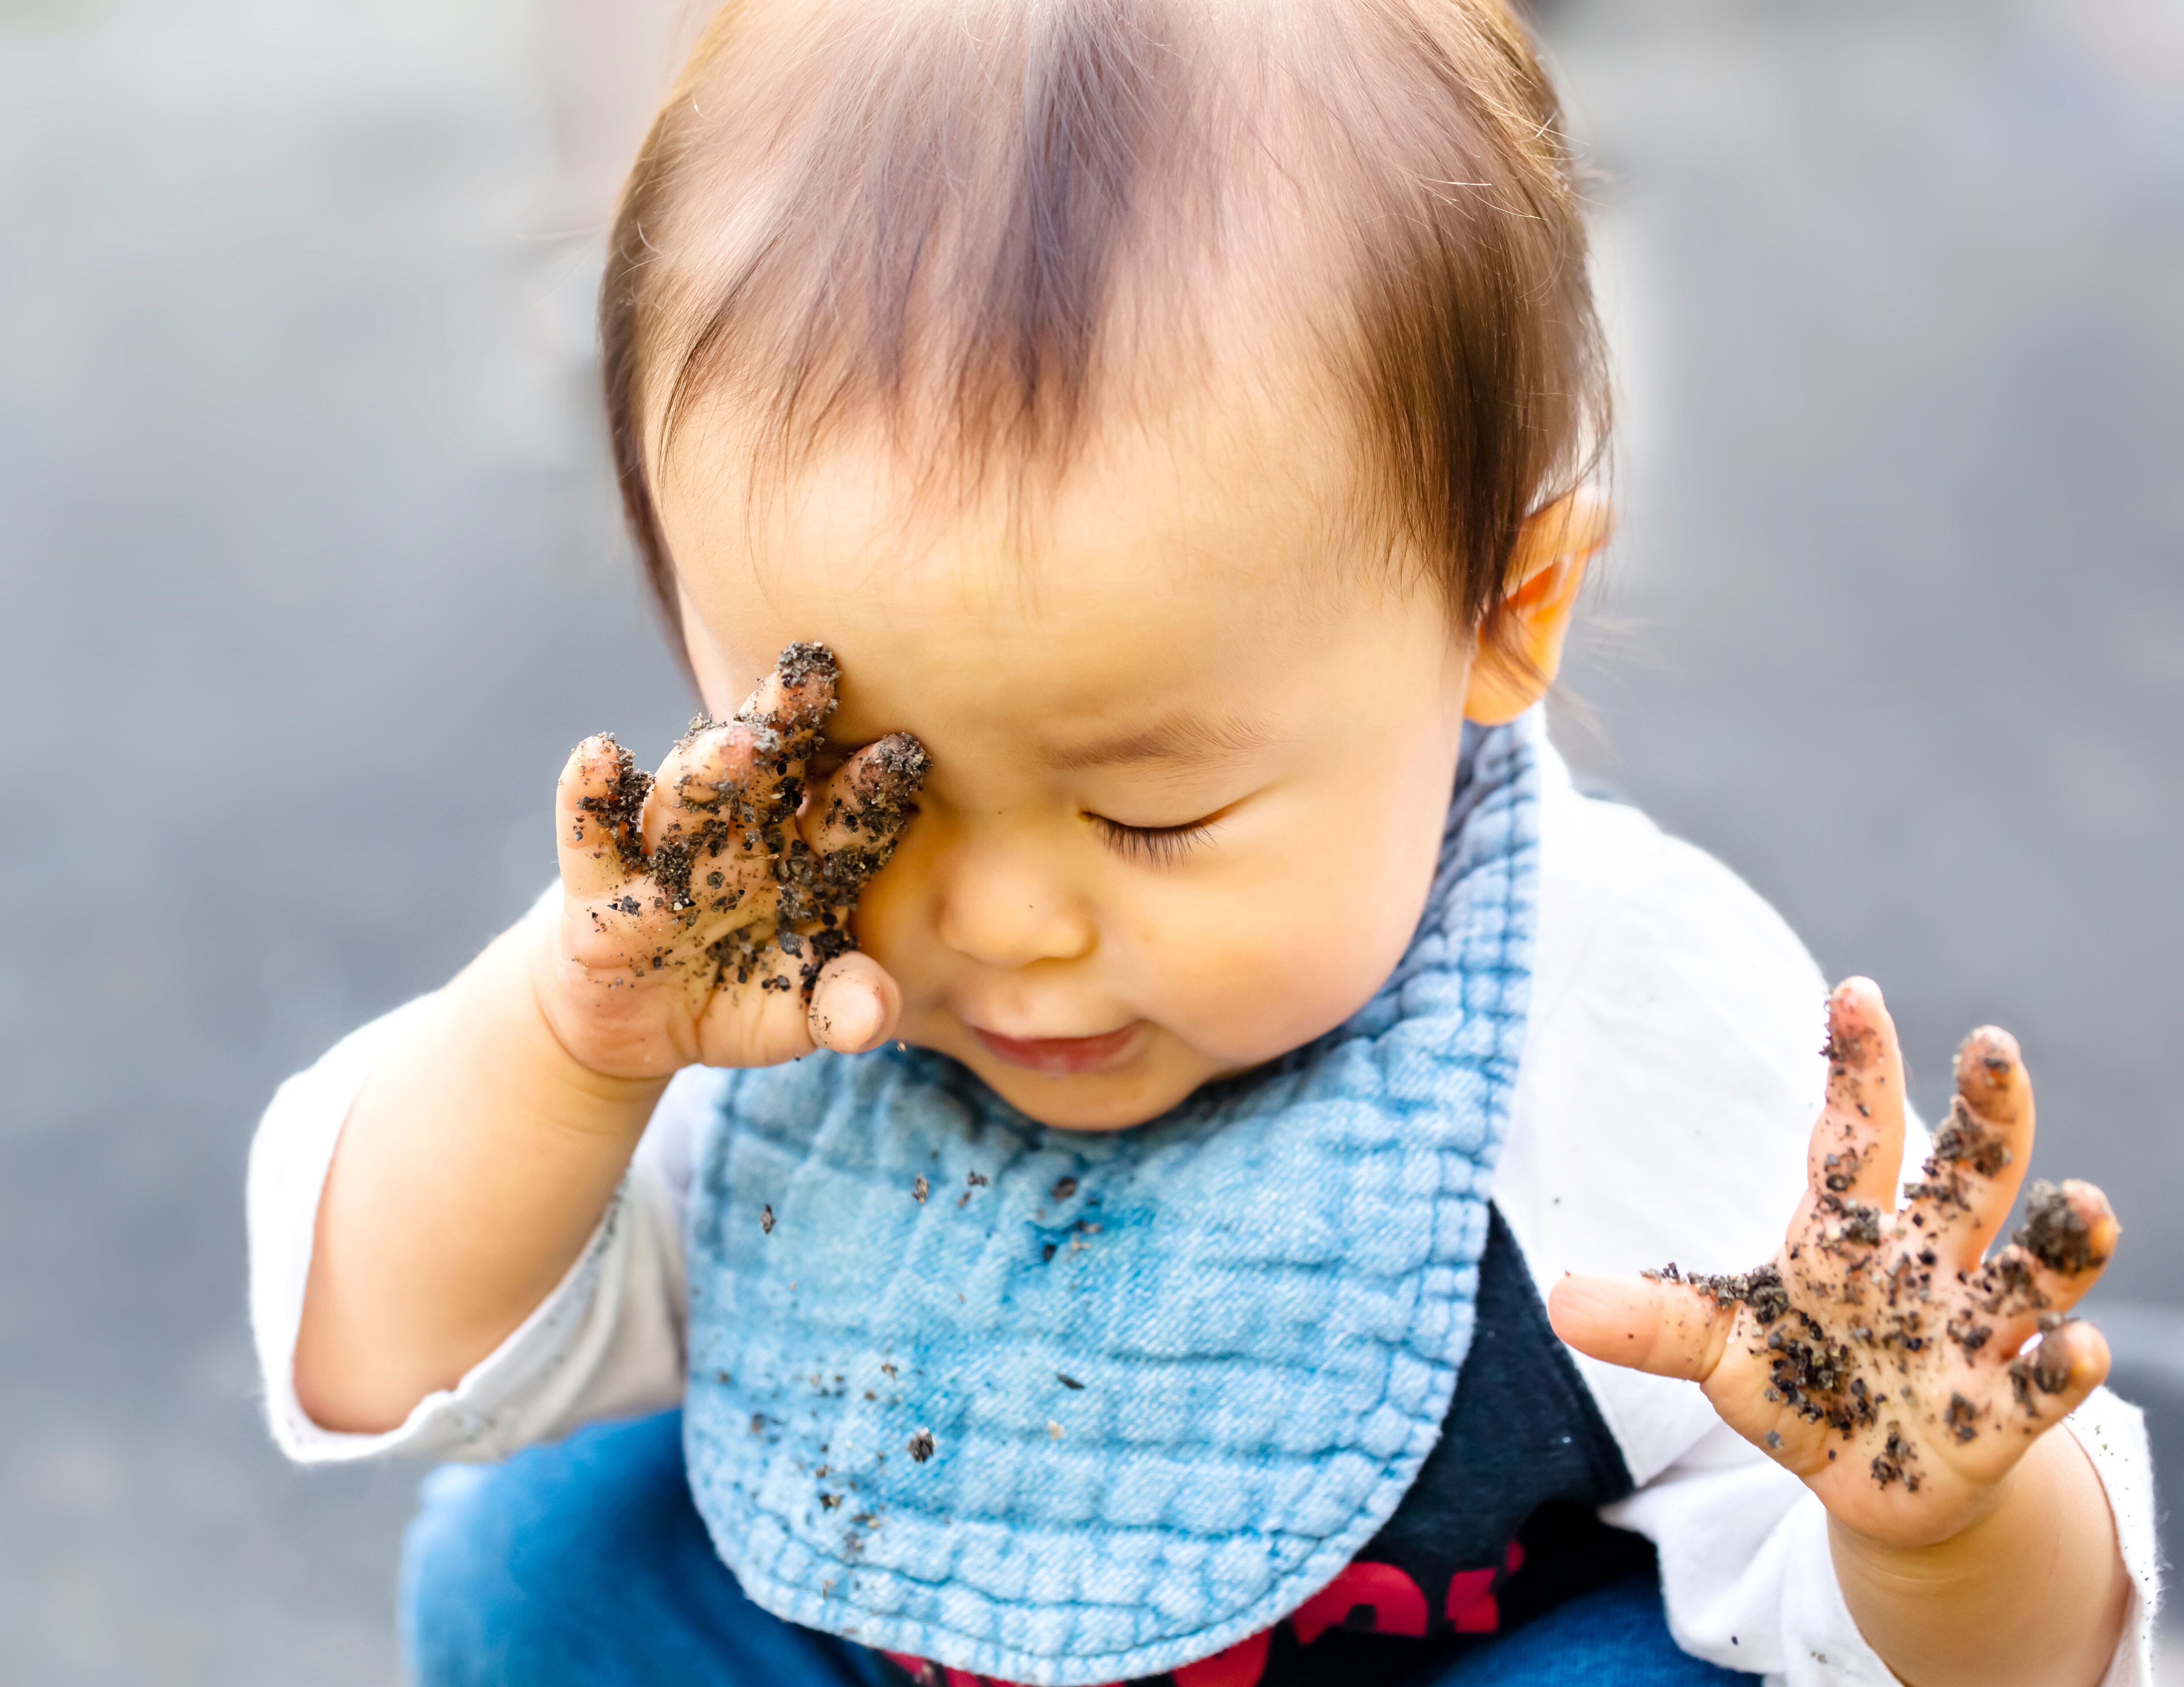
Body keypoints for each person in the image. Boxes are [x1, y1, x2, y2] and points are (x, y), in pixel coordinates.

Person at [246, 2, 2159, 1682]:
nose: (1003, 924)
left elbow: (2030, 1670)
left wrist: (1945, 1526)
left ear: (1510, 607)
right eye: (872, 791)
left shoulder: (1625, 1036)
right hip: (871, 1634)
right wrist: (569, 1055)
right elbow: (375, 1361)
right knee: (542, 1562)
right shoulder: (744, 971)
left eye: (1154, 814)